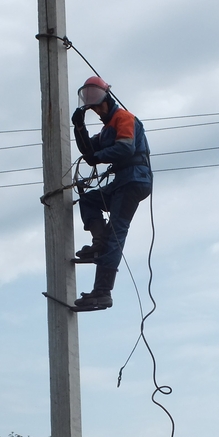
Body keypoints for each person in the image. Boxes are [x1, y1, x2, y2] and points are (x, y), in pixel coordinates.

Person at [71, 76, 152, 310]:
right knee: (88, 200)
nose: (97, 110)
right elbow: (89, 152)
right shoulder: (107, 130)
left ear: (107, 98)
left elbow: (125, 148)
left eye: (98, 104)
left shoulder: (124, 118)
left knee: (116, 234)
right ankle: (99, 242)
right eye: (92, 107)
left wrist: (97, 157)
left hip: (134, 180)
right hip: (122, 183)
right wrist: (79, 128)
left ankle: (103, 292)